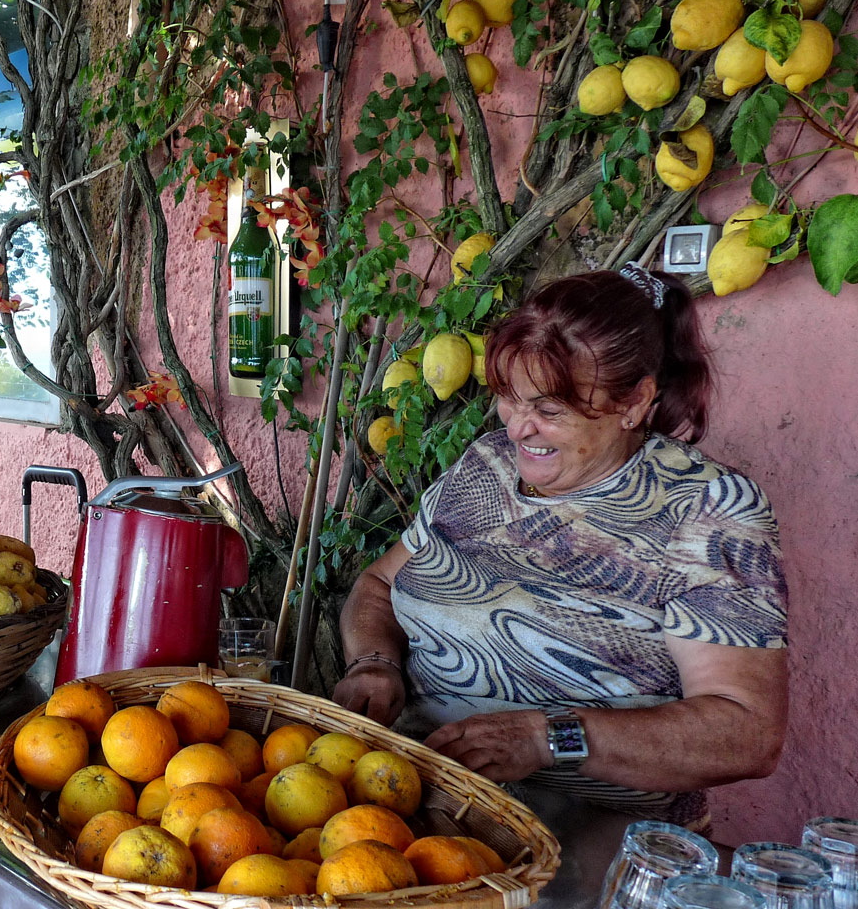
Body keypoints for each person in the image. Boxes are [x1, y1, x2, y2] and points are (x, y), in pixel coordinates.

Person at [332, 266, 788, 829]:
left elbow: (747, 732)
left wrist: (549, 738)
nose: (519, 428)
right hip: (412, 804)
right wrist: (374, 663)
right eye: (509, 399)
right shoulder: (486, 465)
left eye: (550, 411)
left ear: (636, 401)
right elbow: (378, 585)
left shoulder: (707, 509)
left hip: (594, 838)